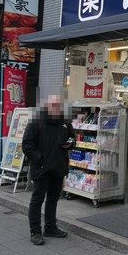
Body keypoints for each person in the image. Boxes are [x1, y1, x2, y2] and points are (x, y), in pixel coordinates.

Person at [22, 94, 75, 245]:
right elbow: (27, 145)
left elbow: (72, 138)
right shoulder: (36, 122)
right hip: (41, 169)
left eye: (59, 106)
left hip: (58, 167)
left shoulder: (65, 123)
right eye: (54, 105)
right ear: (47, 106)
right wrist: (40, 159)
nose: (57, 109)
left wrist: (70, 144)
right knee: (37, 200)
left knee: (53, 199)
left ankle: (50, 227)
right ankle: (35, 232)